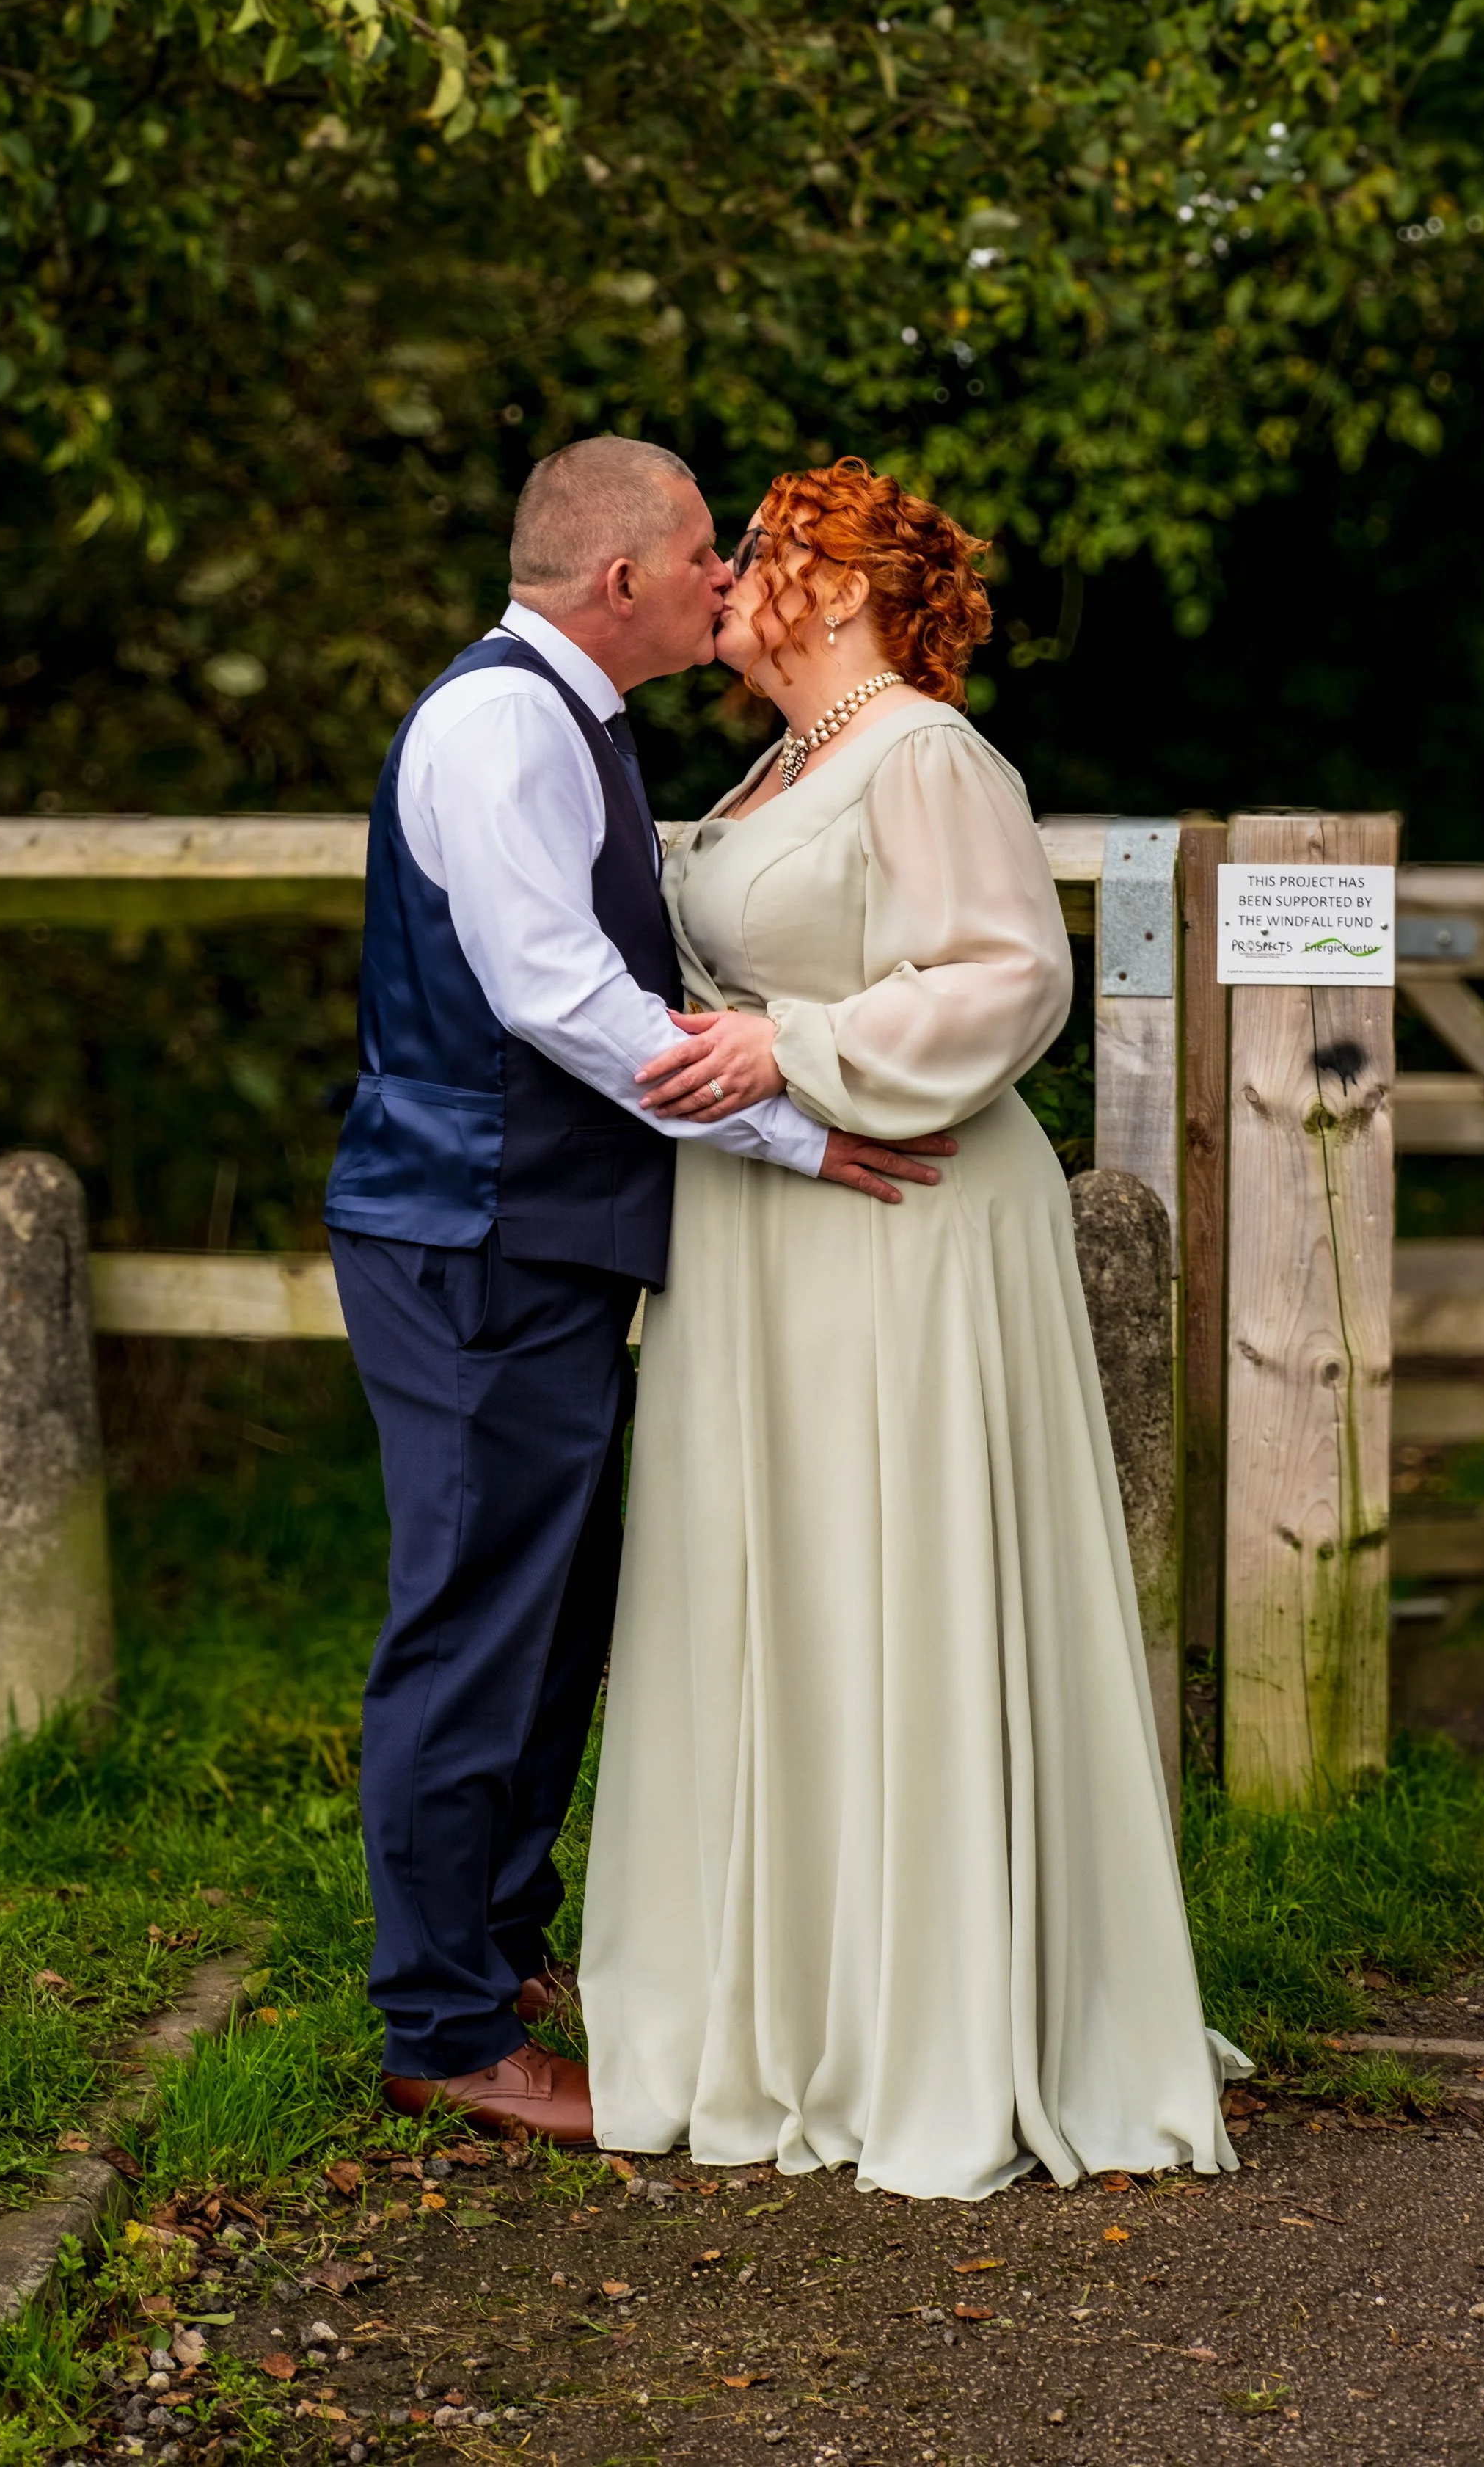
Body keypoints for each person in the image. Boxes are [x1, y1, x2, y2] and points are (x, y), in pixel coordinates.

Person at [580, 456, 1249, 2200]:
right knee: (772, 1579)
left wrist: (789, 1054)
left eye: (769, 552)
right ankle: (777, 1996)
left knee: (896, 1575)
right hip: (761, 1220)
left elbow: (1004, 972)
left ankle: (934, 2013)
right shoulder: (775, 762)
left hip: (906, 1220)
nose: (728, 574)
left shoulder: (929, 752)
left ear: (854, 586)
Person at [322, 437, 952, 2145]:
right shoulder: (503, 723)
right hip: (469, 1234)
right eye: (700, 558)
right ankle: (443, 2029)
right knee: (470, 1626)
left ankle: (495, 1953)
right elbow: (559, 999)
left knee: (546, 1613)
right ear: (621, 584)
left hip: (530, 1230)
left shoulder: (569, 719)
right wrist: (796, 1137)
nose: (722, 584)